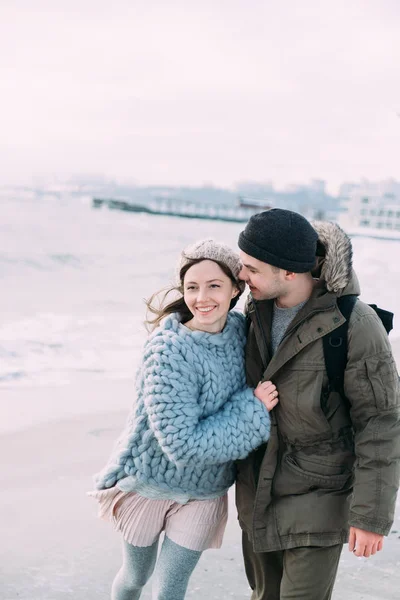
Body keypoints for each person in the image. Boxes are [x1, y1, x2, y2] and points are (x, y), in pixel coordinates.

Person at [89, 239, 279, 600]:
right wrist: (252, 410)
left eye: (214, 286)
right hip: (148, 482)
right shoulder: (168, 351)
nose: (202, 297)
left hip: (205, 490)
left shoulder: (242, 332)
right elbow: (183, 444)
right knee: (134, 577)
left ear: (235, 289)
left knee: (172, 588)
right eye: (192, 287)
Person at [235, 208, 400, 600]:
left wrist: (371, 516)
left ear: (289, 272)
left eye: (251, 268)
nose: (241, 276)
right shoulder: (251, 311)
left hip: (319, 493)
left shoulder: (354, 324)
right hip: (257, 491)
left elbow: (381, 422)